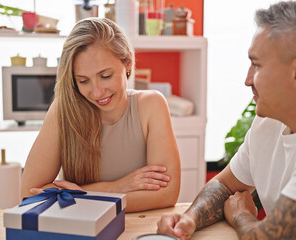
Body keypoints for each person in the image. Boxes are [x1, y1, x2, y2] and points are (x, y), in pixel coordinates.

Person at [157, 1, 296, 239]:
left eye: (257, 64)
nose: (247, 79)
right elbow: (225, 185)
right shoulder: (271, 120)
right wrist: (189, 219)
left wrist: (242, 215)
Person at [21, 18, 181, 212]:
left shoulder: (152, 105)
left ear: (128, 63)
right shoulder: (62, 111)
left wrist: (81, 195)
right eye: (83, 81)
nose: (97, 92)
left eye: (105, 76)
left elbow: (167, 193)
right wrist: (117, 187)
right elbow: (30, 194)